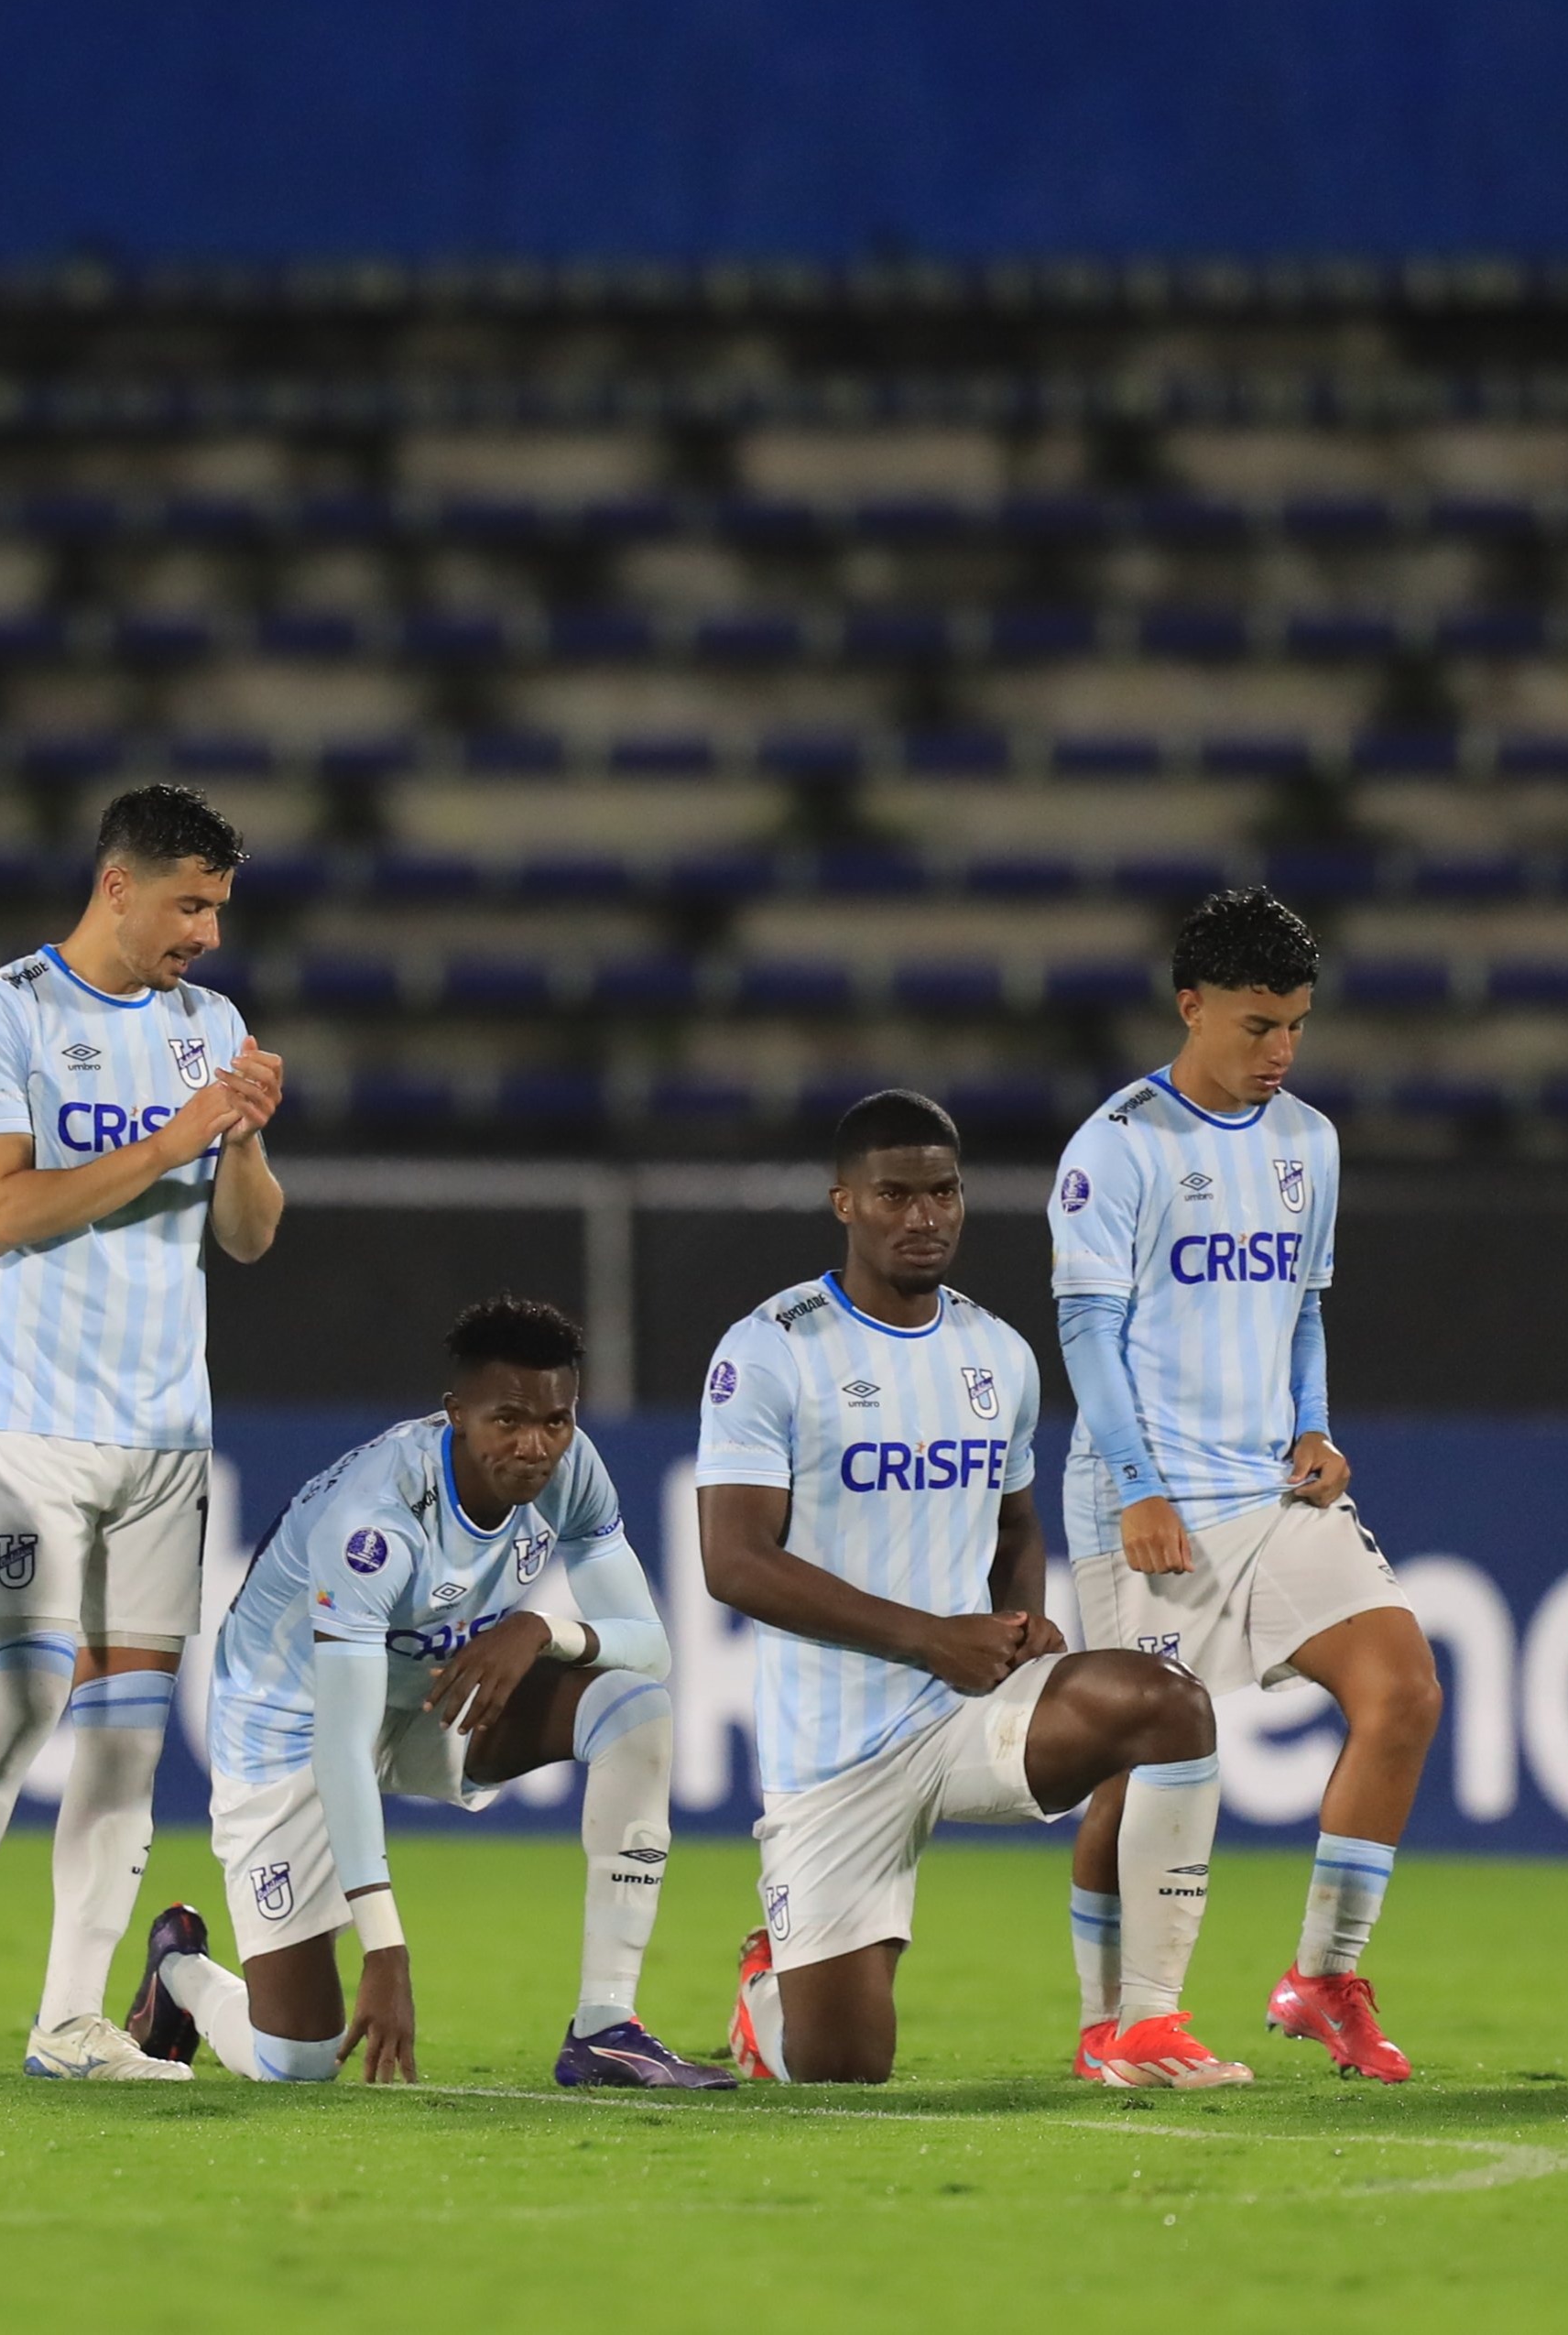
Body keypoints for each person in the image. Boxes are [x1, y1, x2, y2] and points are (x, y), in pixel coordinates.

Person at [0, 784, 286, 2082]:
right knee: (26, 1695)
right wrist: (175, 1136)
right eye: (190, 904)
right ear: (118, 885)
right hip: (33, 1428)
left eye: (218, 907)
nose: (207, 933)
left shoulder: (208, 1025)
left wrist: (245, 1139)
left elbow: (247, 1235)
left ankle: (70, 2018)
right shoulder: (3, 1016)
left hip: (166, 1437)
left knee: (130, 1730)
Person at [706, 1092, 1238, 2087]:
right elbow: (733, 1562)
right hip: (833, 1757)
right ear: (844, 1203)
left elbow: (1013, 1523)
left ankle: (1131, 2024)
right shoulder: (770, 1347)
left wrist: (1018, 1619)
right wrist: (927, 1637)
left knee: (1167, 1707)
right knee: (839, 2071)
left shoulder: (997, 1353)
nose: (923, 1215)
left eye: (942, 1191)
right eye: (894, 1194)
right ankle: (766, 1990)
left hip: (964, 1712)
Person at [123, 1298, 727, 2089]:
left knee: (635, 1709)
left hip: (428, 1698)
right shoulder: (376, 1524)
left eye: (555, 1420)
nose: (534, 1445)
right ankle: (181, 1974)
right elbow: (340, 1747)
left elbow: (650, 1646)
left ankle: (606, 2027)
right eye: (507, 1419)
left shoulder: (570, 1470)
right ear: (456, 1415)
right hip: (290, 1723)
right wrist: (386, 1948)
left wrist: (543, 1629)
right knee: (296, 2060)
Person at [1047, 889, 1439, 2086]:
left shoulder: (1305, 1142)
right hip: (1149, 1490)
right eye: (1257, 1024)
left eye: (1297, 1028)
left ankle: (1324, 1974)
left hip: (1271, 1487)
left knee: (1404, 1686)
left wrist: (1315, 1422)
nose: (1279, 1051)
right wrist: (1137, 1487)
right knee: (1146, 1760)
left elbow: (1303, 1308)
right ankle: (1118, 2017)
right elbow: (1088, 1330)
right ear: (1192, 1005)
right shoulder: (1118, 1146)